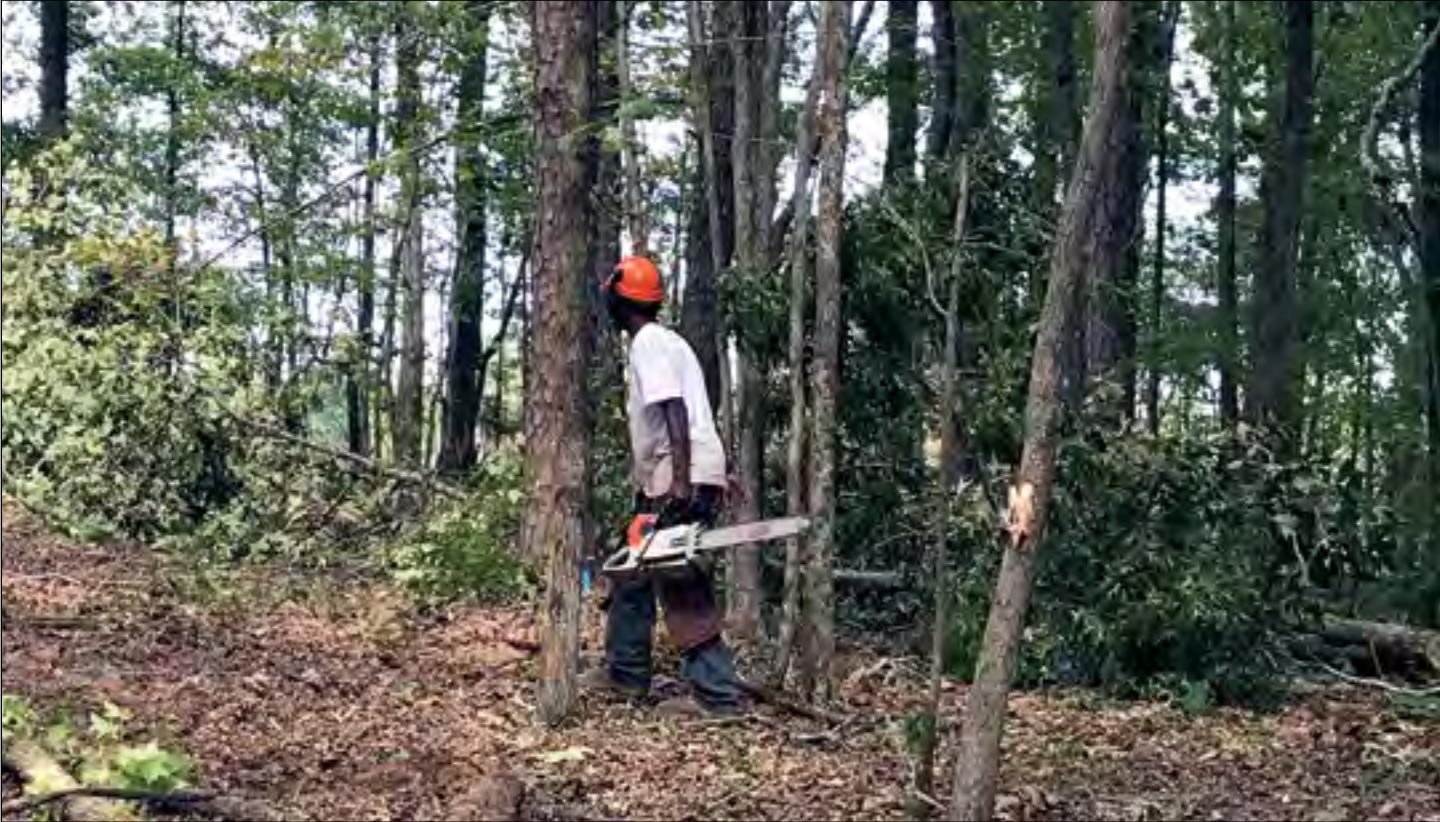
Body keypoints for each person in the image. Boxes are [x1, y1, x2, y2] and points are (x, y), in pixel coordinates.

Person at [584, 255, 744, 717]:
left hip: (675, 476)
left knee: (680, 577)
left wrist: (680, 478)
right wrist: (717, 471)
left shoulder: (649, 343)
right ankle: (626, 672)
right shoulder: (671, 342)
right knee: (630, 566)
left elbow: (674, 407)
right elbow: (698, 413)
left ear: (619, 297)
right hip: (681, 471)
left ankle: (718, 698)